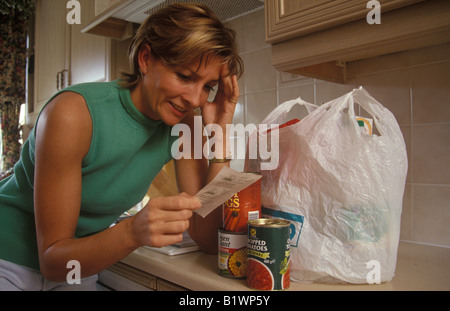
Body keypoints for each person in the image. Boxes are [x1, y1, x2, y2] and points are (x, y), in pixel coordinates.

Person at [0, 3, 243, 290]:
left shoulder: (183, 124)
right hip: (10, 258)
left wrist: (219, 132)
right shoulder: (72, 114)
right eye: (185, 76)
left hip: (80, 264)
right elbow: (52, 261)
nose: (194, 99)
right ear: (145, 59)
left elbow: (207, 239)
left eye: (207, 86)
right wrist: (132, 231)